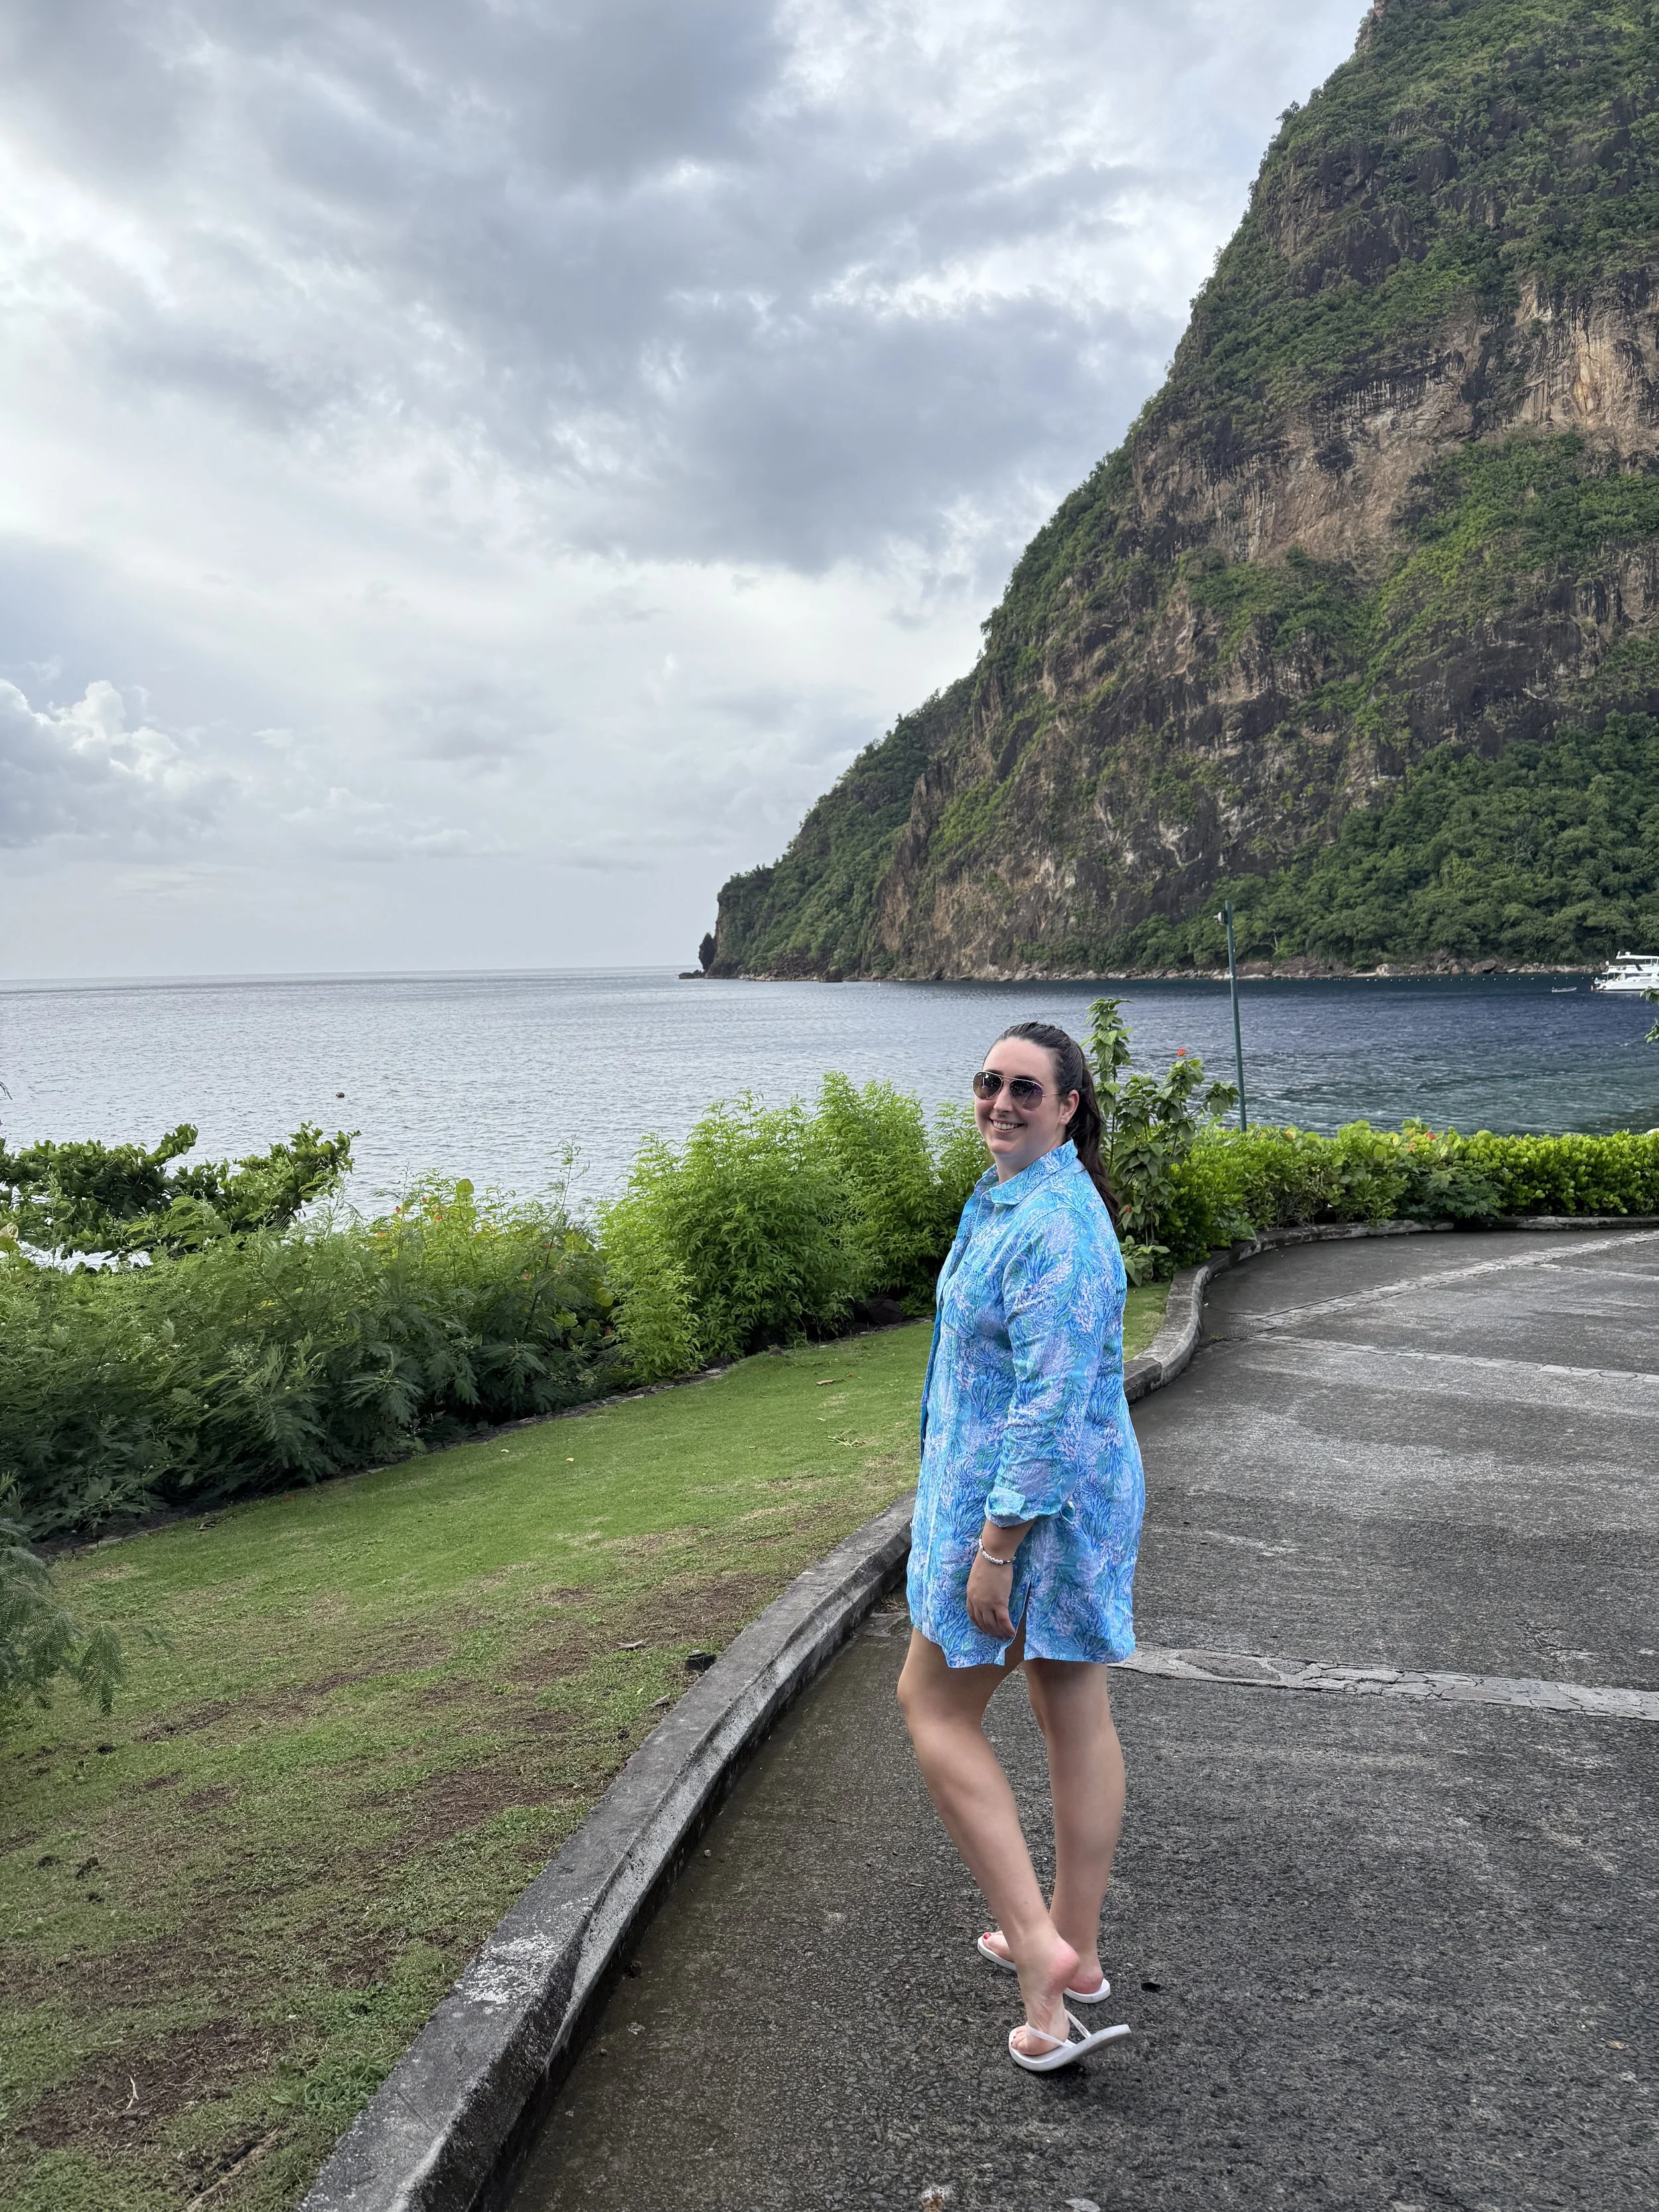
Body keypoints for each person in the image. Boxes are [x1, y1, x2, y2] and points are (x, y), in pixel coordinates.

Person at [897, 1019, 1145, 2073]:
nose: (1001, 1102)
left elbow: (1043, 1407)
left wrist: (995, 1547)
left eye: (1026, 1091)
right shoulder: (1019, 1199)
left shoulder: (1056, 1226)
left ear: (1069, 1107)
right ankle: (1072, 1950)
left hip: (1028, 1514)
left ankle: (1043, 1956)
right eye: (989, 1082)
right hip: (1054, 1500)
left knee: (933, 1708)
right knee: (1069, 1707)